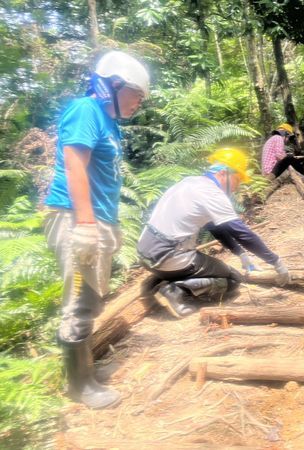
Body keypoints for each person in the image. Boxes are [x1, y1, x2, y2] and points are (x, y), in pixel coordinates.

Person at [44, 51, 150, 409]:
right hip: (75, 217)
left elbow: (104, 179)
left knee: (90, 298)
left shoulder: (110, 125)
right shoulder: (85, 110)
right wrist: (87, 224)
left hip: (96, 218)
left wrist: (109, 225)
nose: (139, 102)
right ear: (114, 85)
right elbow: (75, 164)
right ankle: (79, 386)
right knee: (79, 302)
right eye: (136, 93)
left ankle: (86, 371)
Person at [137, 148, 291, 319]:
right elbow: (242, 233)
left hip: (145, 253)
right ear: (224, 173)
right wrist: (276, 262)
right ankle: (177, 290)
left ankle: (160, 280)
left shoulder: (190, 182)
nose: (237, 187)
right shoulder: (212, 193)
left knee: (212, 269)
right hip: (168, 256)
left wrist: (240, 254)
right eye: (237, 179)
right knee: (233, 280)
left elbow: (216, 228)